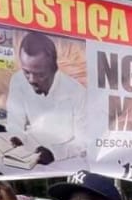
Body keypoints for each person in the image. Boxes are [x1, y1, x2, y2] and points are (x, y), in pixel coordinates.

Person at [5, 31, 87, 165]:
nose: (31, 80)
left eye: (40, 74)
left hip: (66, 159)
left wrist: (55, 153)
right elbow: (14, 120)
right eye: (26, 72)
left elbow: (83, 141)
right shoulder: (18, 80)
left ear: (54, 68)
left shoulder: (77, 92)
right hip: (28, 154)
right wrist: (16, 137)